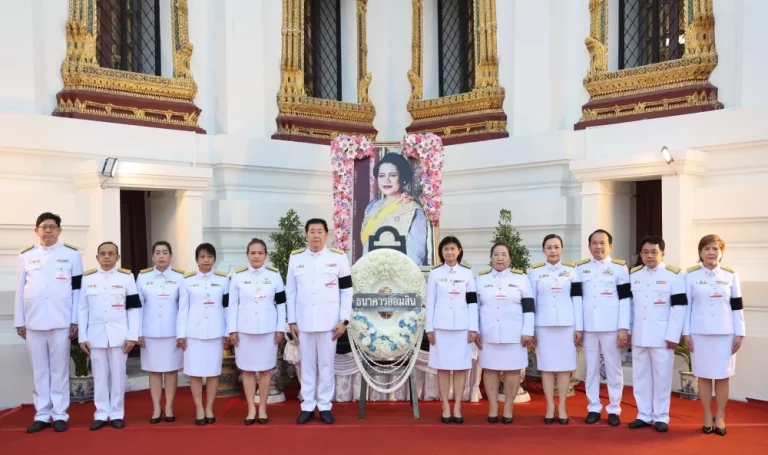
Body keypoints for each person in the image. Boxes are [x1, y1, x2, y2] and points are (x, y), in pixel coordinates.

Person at [14, 212, 83, 433]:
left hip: (61, 320)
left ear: (59, 230)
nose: (48, 231)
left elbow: (77, 290)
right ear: (37, 231)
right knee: (39, 370)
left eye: (52, 227)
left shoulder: (72, 255)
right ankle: (42, 414)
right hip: (33, 321)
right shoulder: (26, 255)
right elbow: (20, 289)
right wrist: (19, 321)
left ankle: (60, 414)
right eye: (44, 227)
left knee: (60, 370)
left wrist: (75, 320)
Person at [287, 218, 352, 424]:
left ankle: (324, 405)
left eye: (319, 231)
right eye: (312, 231)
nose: (316, 235)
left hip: (329, 324)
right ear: (306, 234)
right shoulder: (296, 258)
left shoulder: (338, 258)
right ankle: (307, 405)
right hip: (304, 322)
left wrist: (344, 320)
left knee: (326, 365)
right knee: (306, 366)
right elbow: (291, 291)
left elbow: (347, 291)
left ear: (326, 234)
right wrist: (291, 321)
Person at [683, 234, 745, 436]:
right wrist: (686, 333)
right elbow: (686, 307)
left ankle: (720, 415)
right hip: (699, 333)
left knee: (723, 376)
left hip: (725, 333)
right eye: (707, 249)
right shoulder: (690, 275)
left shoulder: (730, 274)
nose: (711, 252)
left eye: (715, 249)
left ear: (722, 252)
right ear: (700, 253)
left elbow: (737, 305)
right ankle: (707, 415)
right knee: (703, 375)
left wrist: (740, 332)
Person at [78, 242, 140, 430]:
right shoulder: (87, 278)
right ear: (97, 257)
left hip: (119, 335)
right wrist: (82, 336)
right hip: (95, 335)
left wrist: (132, 335)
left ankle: (117, 413)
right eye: (103, 254)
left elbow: (133, 309)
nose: (107, 257)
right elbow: (82, 309)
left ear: (117, 257)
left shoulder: (126, 277)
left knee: (119, 376)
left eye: (111, 254)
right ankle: (101, 413)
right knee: (99, 376)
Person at [627, 236, 687, 433]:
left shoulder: (674, 275)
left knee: (662, 377)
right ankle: (643, 414)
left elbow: (679, 307)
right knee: (640, 377)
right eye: (645, 252)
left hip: (663, 337)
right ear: (640, 254)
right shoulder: (634, 275)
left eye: (654, 252)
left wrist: (673, 335)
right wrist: (628, 331)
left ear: (663, 253)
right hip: (639, 335)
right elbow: (630, 307)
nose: (649, 256)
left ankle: (661, 416)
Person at [228, 238, 286, 425]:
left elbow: (281, 304)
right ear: (247, 255)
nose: (256, 256)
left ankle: (262, 408)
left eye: (260, 253)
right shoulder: (238, 276)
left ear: (266, 255)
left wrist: (280, 328)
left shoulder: (274, 275)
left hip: (268, 330)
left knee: (266, 370)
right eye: (253, 253)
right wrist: (232, 330)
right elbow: (232, 305)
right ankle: (251, 408)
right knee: (247, 370)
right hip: (244, 331)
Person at [575, 229, 631, 426]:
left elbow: (625, 300)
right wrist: (578, 328)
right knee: (590, 368)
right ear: (589, 246)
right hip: (589, 326)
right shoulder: (580, 268)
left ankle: (614, 408)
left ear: (610, 246)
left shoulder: (619, 268)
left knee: (614, 368)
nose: (598, 247)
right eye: (594, 243)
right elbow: (577, 300)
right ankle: (593, 407)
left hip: (611, 327)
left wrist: (623, 328)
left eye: (602, 243)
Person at [528, 234, 582, 425]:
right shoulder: (535, 271)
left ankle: (563, 406)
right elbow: (531, 301)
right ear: (544, 250)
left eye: (556, 247)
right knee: (547, 367)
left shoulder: (572, 271)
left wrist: (579, 327)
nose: (553, 251)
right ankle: (550, 406)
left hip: (567, 325)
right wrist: (531, 328)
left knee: (565, 367)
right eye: (549, 247)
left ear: (562, 249)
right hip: (543, 325)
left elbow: (577, 300)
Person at [476, 243, 533, 424]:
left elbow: (529, 307)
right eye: (496, 254)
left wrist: (528, 331)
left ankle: (508, 407)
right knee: (490, 368)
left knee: (513, 369)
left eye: (503, 254)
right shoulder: (481, 279)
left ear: (510, 258)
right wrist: (475, 330)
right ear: (491, 258)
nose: (500, 258)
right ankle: (493, 407)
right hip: (488, 332)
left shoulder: (521, 278)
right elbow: (474, 308)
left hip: (514, 334)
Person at [426, 236, 478, 424]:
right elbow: (430, 302)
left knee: (460, 368)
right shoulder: (435, 273)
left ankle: (457, 406)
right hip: (440, 327)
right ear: (441, 252)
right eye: (446, 249)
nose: (449, 252)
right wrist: (429, 328)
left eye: (452, 249)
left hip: (462, 328)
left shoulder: (467, 273)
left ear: (459, 251)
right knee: (443, 367)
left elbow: (472, 302)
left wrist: (473, 327)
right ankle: (445, 406)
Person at [177, 243, 230, 426]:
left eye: (209, 256)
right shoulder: (187, 280)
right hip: (193, 333)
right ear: (196, 259)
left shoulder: (223, 280)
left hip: (215, 332)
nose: (206, 260)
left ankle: (209, 407)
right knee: (195, 372)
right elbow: (182, 309)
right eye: (202, 256)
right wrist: (180, 334)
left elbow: (227, 308)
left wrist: (227, 331)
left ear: (214, 259)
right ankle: (199, 407)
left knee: (213, 372)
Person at [136, 241, 185, 424]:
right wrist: (137, 332)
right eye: (157, 253)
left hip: (172, 332)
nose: (161, 256)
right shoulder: (143, 277)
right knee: (154, 371)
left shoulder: (180, 277)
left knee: (171, 371)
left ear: (171, 256)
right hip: (150, 332)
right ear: (152, 256)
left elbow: (183, 308)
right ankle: (157, 407)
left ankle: (169, 406)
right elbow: (138, 307)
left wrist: (182, 333)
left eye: (165, 252)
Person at [360, 152, 430, 265]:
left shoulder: (413, 210)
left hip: (399, 271)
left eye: (392, 175)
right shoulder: (371, 207)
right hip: (369, 269)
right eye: (381, 175)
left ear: (402, 178)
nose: (386, 180)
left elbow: (416, 258)